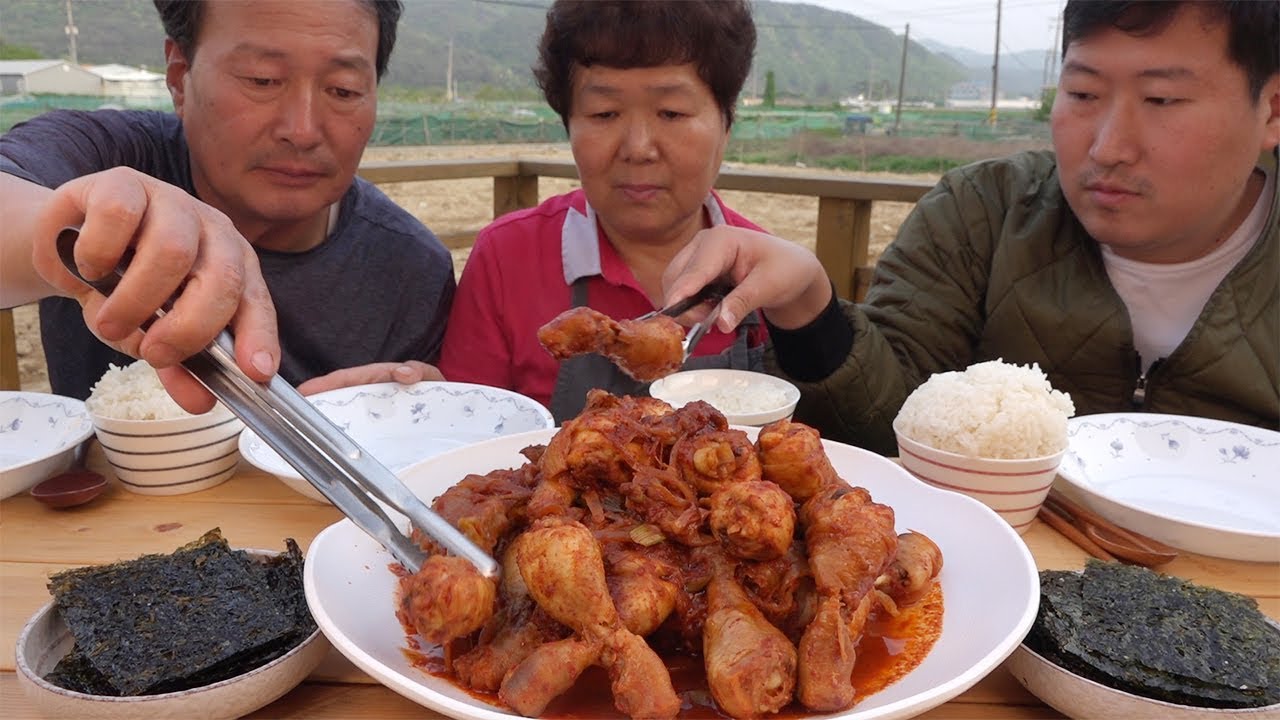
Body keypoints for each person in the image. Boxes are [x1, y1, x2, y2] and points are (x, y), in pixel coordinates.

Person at [660, 0, 1279, 455]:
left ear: (1271, 109)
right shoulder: (982, 212)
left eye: (1162, 101)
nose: (1109, 146)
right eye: (1084, 94)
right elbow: (884, 424)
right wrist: (809, 309)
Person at [0, 0, 453, 406]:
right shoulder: (103, 155)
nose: (303, 130)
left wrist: (412, 410)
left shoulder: (414, 269)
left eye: (343, 89)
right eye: (263, 79)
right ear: (179, 77)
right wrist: (78, 224)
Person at [432, 0, 769, 423]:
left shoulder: (767, 269)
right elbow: (466, 432)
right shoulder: (506, 256)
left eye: (672, 112)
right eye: (604, 113)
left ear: (726, 122)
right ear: (568, 124)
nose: (638, 148)